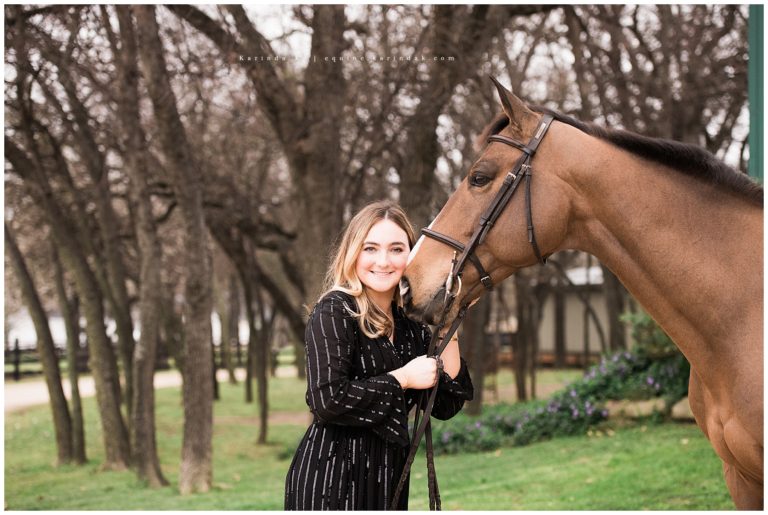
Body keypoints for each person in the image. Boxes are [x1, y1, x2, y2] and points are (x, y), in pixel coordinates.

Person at [284, 200, 473, 510]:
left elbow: (445, 404)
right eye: (370, 248)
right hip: (331, 479)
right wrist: (404, 379)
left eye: (397, 249)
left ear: (411, 257)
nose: (383, 261)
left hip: (388, 480)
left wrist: (447, 325)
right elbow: (327, 400)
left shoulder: (410, 326)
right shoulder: (335, 311)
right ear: (353, 253)